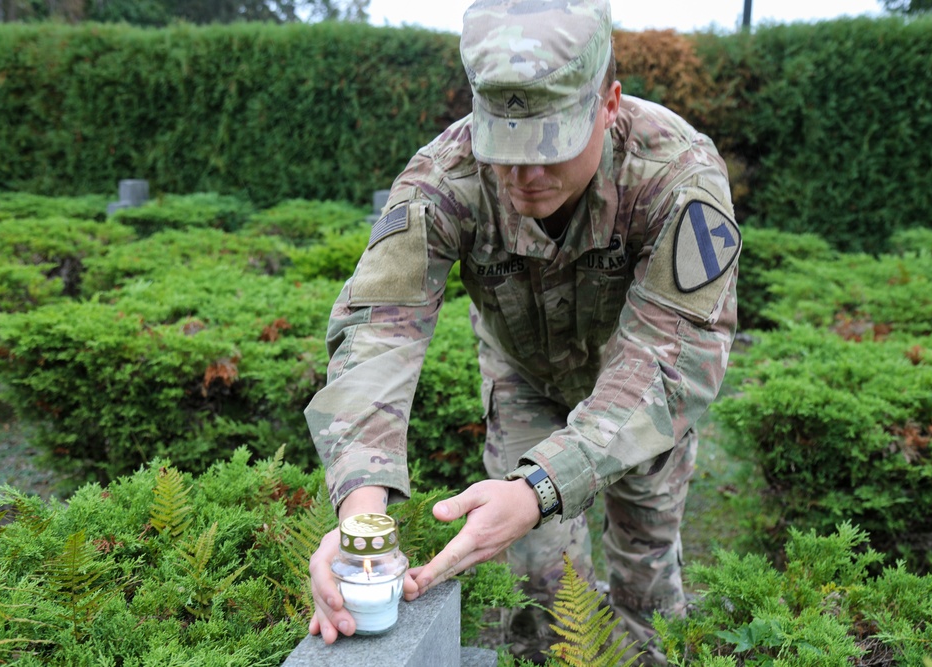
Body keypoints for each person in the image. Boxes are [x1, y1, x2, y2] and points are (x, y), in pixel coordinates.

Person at [305, 0, 740, 663]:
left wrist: (539, 488)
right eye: (506, 148)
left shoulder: (678, 176)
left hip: (643, 400)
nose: (527, 176)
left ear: (610, 103)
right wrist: (361, 518)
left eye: (552, 147)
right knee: (541, 593)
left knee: (644, 584)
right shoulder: (444, 177)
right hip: (525, 383)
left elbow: (672, 359)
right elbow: (377, 332)